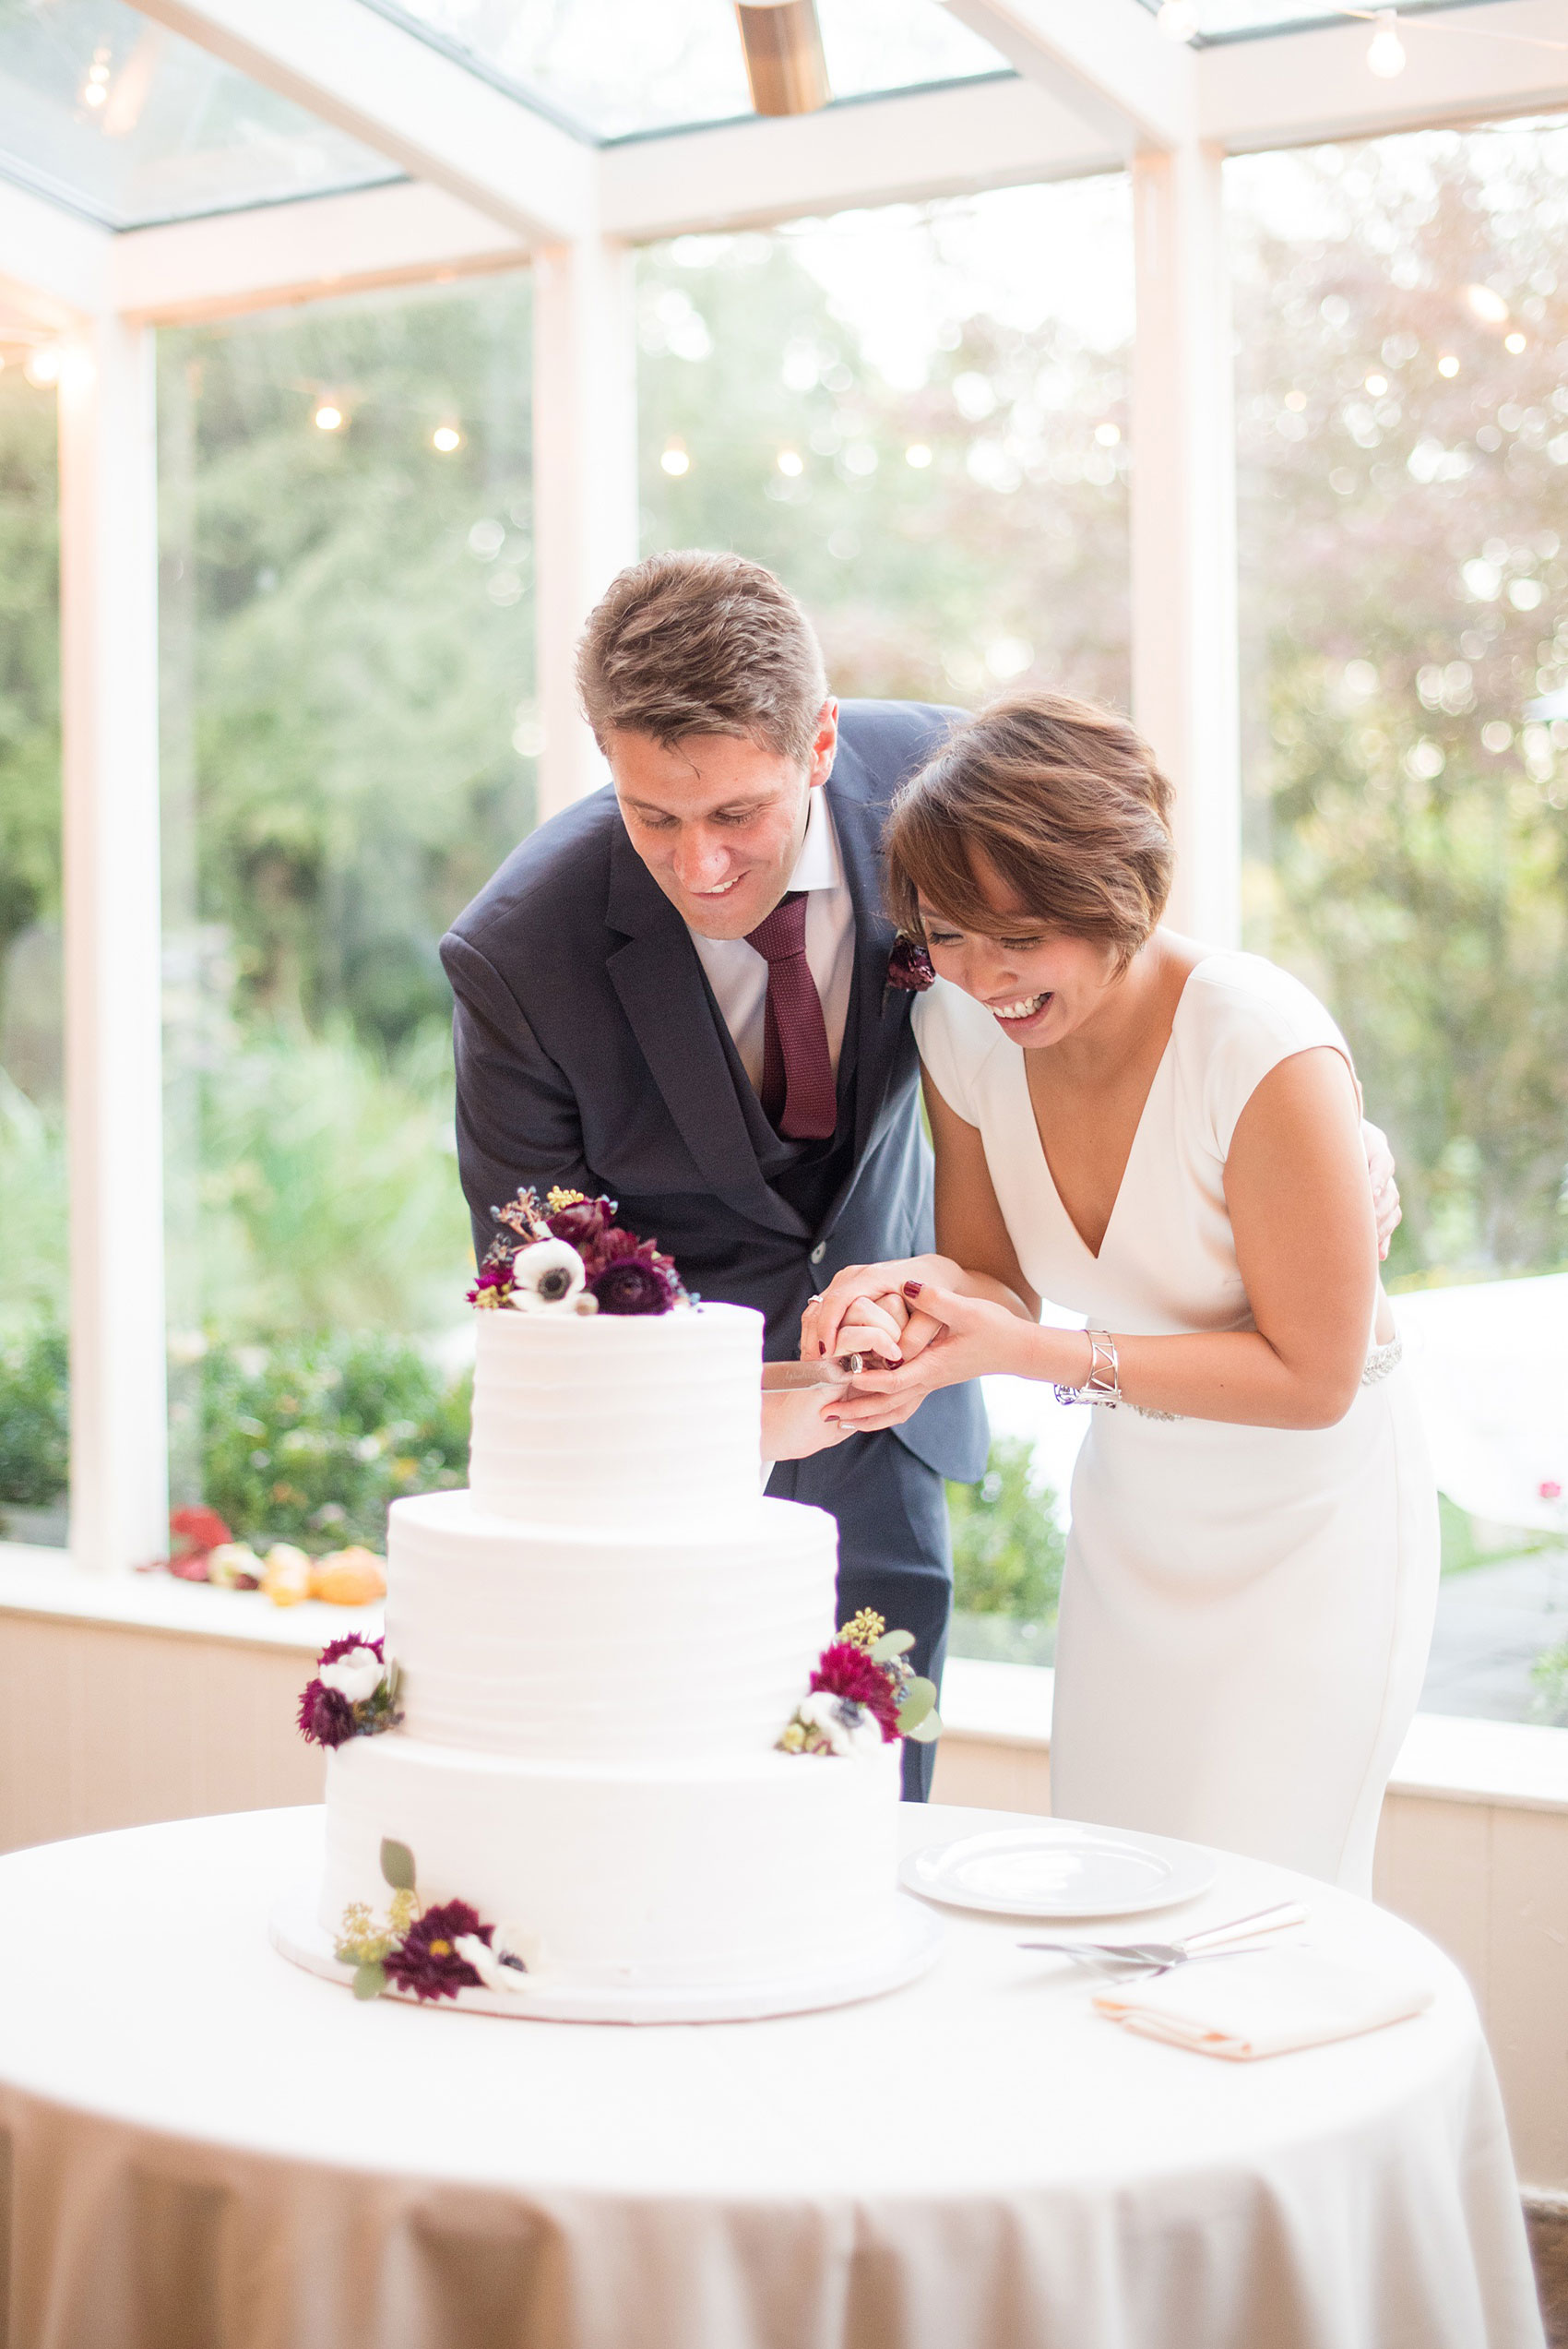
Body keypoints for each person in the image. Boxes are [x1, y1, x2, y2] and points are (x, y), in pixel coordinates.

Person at [808, 690, 1438, 1890]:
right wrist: (901, 1298)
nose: (981, 973)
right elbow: (988, 1269)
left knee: (1261, 1913)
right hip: (1136, 1526)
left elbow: (1313, 1379)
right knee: (1111, 1897)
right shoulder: (962, 1029)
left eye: (1019, 934)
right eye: (944, 933)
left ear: (1118, 895)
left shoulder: (1259, 1045)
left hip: (1312, 1530)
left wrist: (1032, 1356)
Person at [440, 551, 988, 1798]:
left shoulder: (945, 789)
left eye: (737, 812)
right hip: (657, 1469)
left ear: (824, 741)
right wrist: (724, 1416)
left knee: (879, 1824)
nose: (699, 868)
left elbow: (1107, 956)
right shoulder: (522, 956)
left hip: (886, 1418)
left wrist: (1288, 1104)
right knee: (678, 1822)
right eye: (654, 817)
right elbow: (538, 1288)